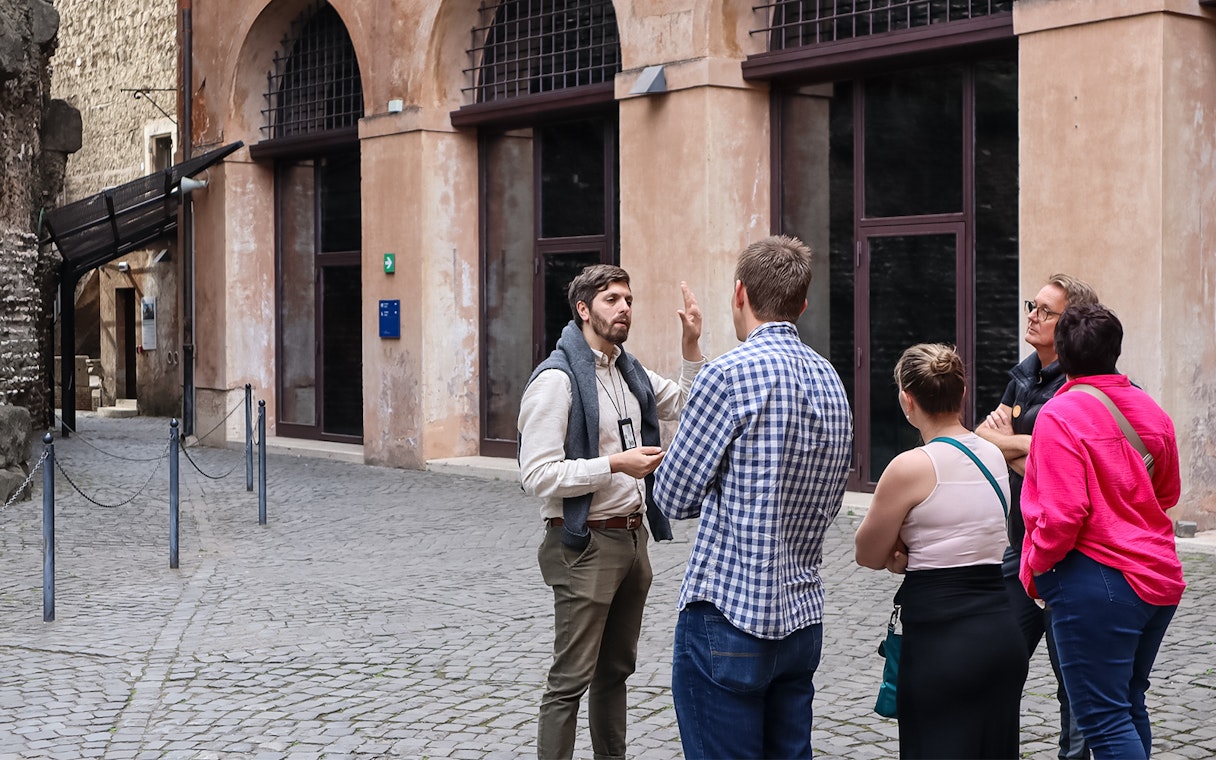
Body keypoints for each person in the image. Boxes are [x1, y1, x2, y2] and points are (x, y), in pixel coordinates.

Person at [651, 235, 853, 760]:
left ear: (739, 293)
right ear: (802, 304)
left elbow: (672, 494)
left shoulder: (729, 373)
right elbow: (829, 497)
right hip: (802, 615)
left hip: (729, 614)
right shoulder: (831, 380)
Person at [517, 263, 704, 760]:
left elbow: (687, 402)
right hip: (582, 545)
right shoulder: (556, 381)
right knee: (569, 681)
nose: (623, 308)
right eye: (611, 300)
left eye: (628, 299)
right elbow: (536, 475)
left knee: (615, 673)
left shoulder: (629, 369)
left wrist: (691, 344)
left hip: (632, 540)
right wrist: (614, 465)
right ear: (583, 309)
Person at [1020, 304, 1183, 760]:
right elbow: (1166, 493)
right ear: (1115, 351)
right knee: (1128, 705)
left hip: (1098, 581)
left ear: (1064, 358)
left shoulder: (1059, 414)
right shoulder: (1153, 412)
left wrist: (1034, 567)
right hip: (1158, 577)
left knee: (1104, 719)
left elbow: (1064, 514)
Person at [855, 343, 1028, 759]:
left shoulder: (910, 467)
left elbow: (867, 552)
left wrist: (901, 551)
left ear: (907, 400)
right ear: (962, 394)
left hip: (941, 642)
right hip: (1001, 636)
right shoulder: (992, 454)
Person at [976, 273, 1099, 760]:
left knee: (1074, 681)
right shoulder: (1026, 372)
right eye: (1034, 305)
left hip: (1069, 554)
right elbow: (986, 434)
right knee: (996, 665)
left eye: (1046, 311)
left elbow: (1048, 460)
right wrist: (1020, 447)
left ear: (1070, 324)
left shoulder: (1080, 385)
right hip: (1020, 548)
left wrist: (1022, 446)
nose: (1032, 315)